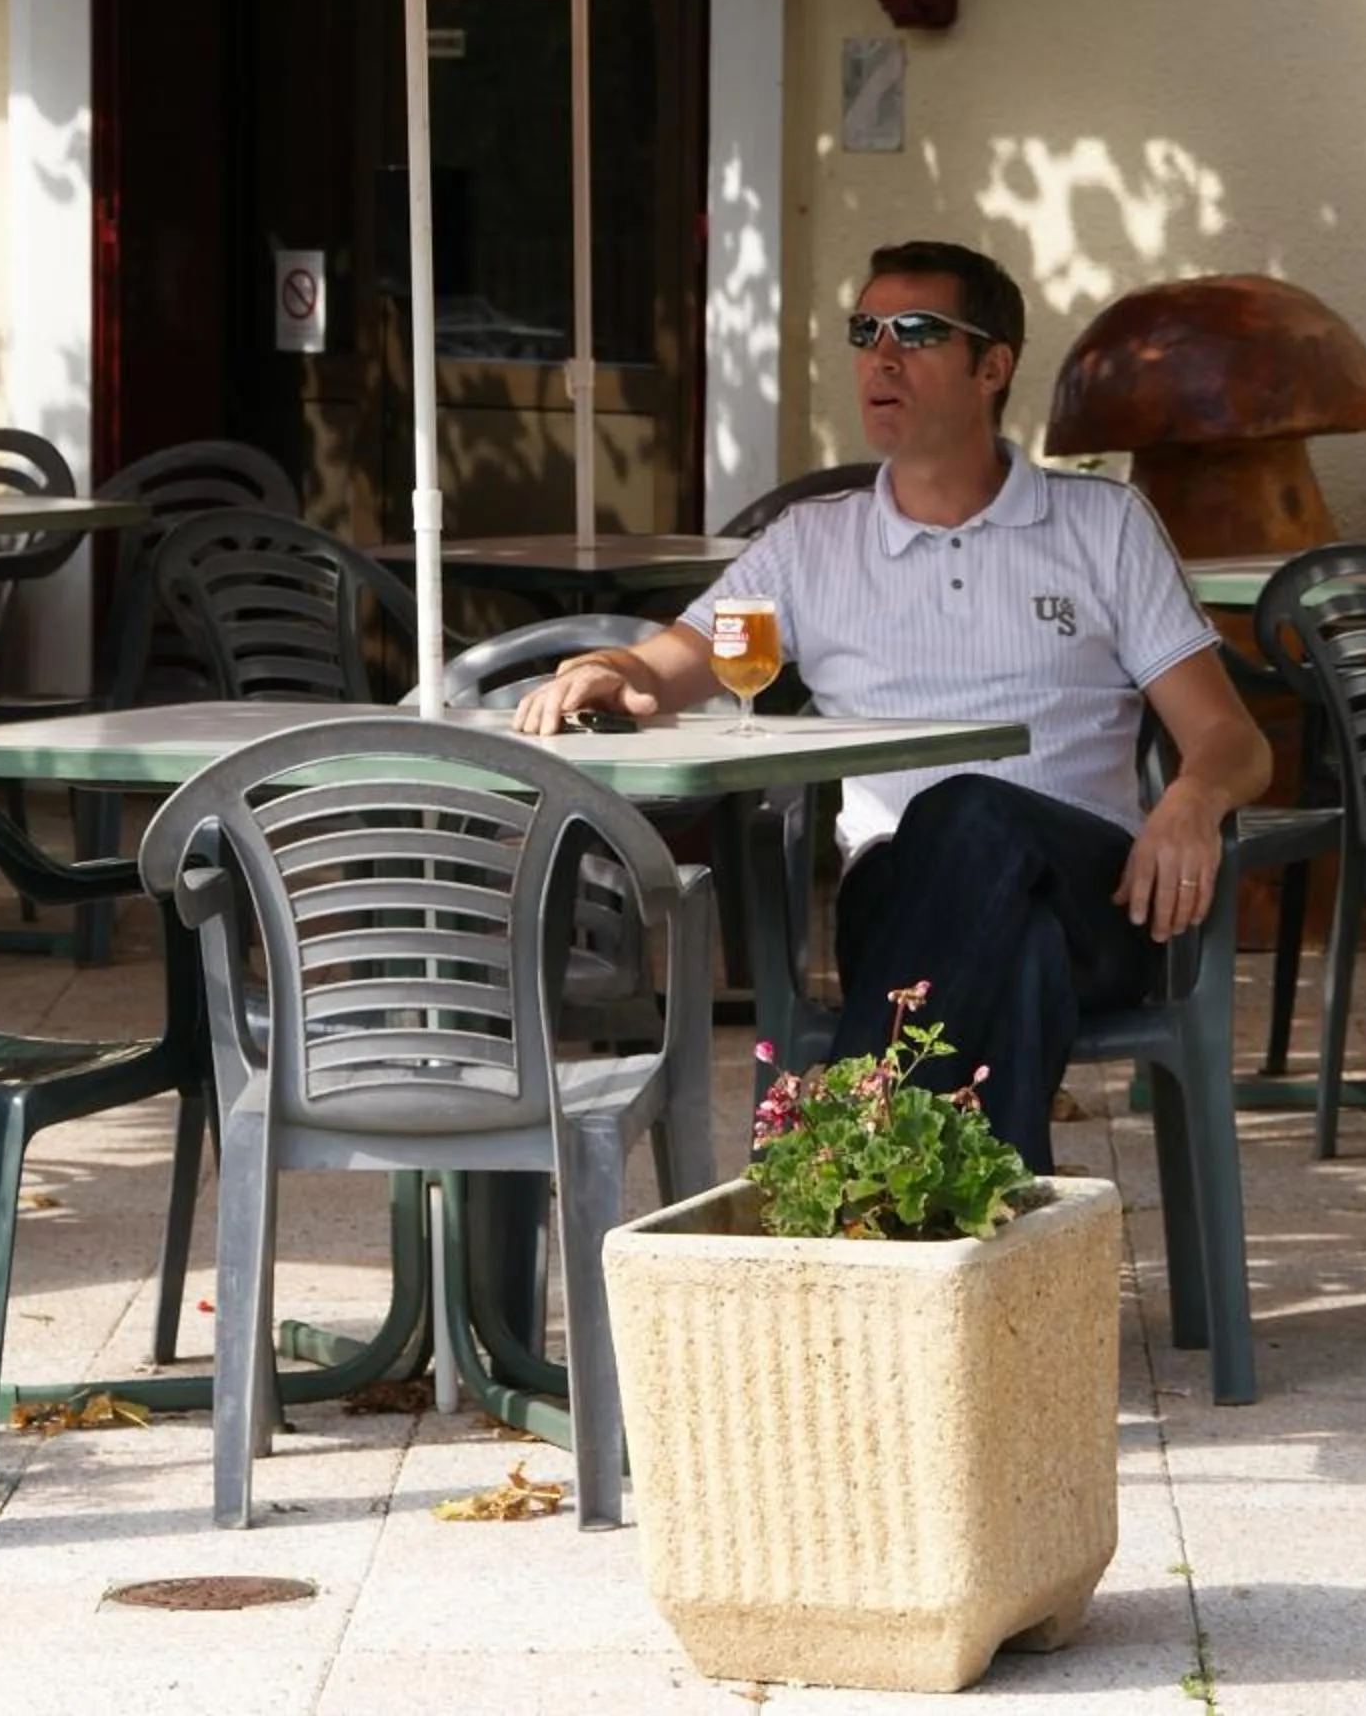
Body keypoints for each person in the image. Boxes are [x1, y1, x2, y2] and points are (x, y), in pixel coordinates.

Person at [513, 237, 1273, 1170]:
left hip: (1094, 892)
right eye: (864, 329)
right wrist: (608, 667)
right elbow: (671, 666)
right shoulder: (810, 544)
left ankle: (836, 1151)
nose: (880, 354)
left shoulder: (1102, 527)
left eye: (915, 331)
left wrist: (1194, 800)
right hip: (896, 894)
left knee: (972, 808)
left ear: (992, 366)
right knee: (1011, 952)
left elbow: (1234, 742)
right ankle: (960, 1245)